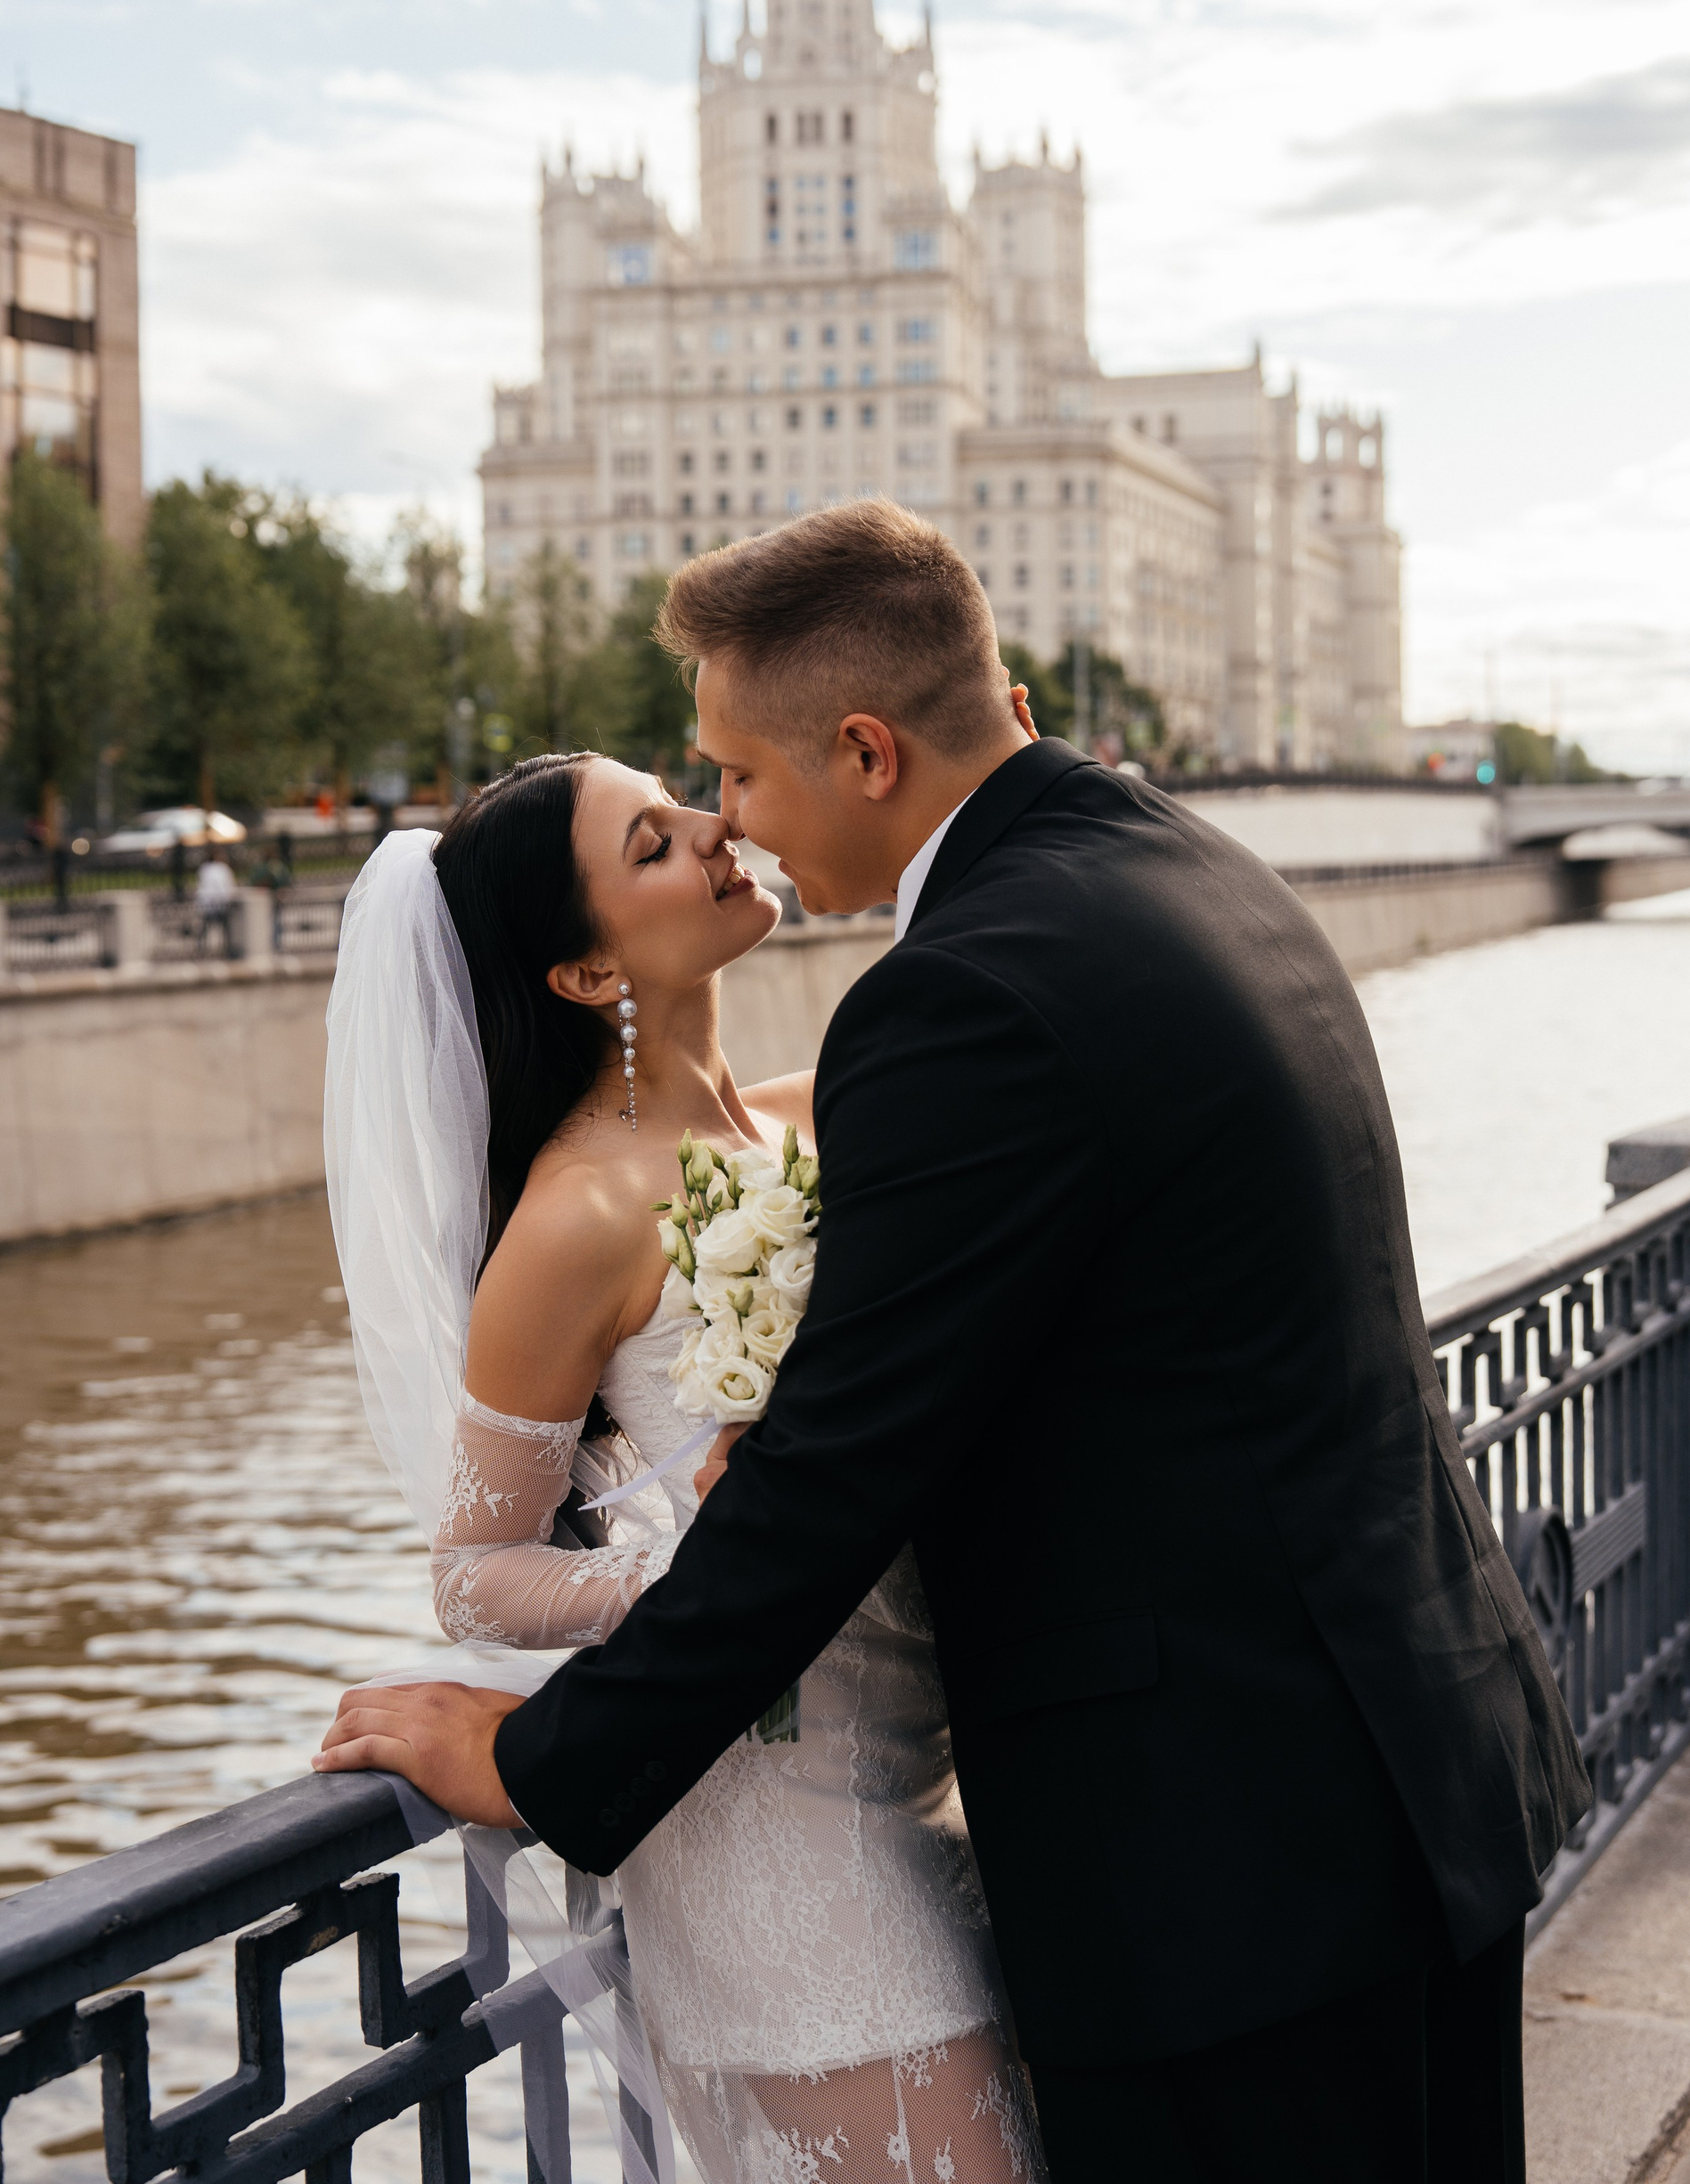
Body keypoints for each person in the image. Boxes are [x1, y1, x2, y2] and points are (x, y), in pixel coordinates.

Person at [320, 500, 1591, 2184]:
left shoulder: (964, 995)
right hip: (1404, 1768)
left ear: (864, 751)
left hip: (1232, 1858)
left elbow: (836, 1472)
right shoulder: (1191, 867)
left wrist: (540, 1764)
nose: (728, 820)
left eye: (736, 774)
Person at [321, 762, 1044, 2184]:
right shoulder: (578, 1216)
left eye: (684, 802)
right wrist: (692, 1561)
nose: (719, 827)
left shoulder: (812, 1118)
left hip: (941, 1773)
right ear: (589, 971)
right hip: (775, 1844)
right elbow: (475, 1573)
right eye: (655, 843)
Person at [195, 846, 238, 956]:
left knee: (206, 926)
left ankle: (201, 947)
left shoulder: (204, 868)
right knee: (225, 926)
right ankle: (227, 947)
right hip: (220, 901)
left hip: (207, 902)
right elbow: (229, 885)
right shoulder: (223, 869)